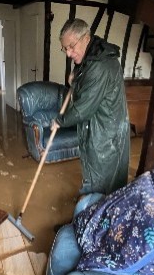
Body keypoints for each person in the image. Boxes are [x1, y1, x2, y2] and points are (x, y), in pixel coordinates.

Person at [52, 18, 130, 195]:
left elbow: (82, 110)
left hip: (106, 130)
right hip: (100, 124)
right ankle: (93, 205)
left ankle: (94, 211)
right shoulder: (93, 55)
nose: (69, 53)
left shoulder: (99, 66)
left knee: (102, 175)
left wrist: (59, 120)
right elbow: (84, 72)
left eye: (71, 46)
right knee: (99, 173)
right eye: (65, 48)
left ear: (86, 38)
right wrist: (76, 75)